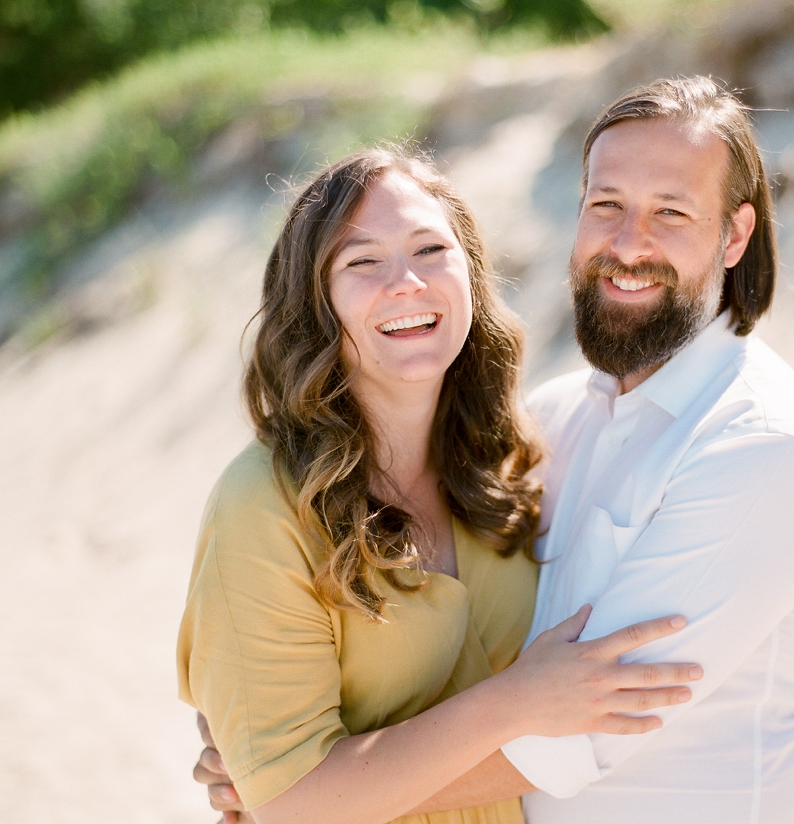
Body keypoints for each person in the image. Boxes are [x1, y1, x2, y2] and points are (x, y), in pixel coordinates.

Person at [197, 75, 794, 824]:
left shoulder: (766, 450)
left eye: (670, 213)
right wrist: (277, 766)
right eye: (604, 206)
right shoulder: (542, 430)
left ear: (735, 234)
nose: (627, 244)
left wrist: (300, 794)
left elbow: (569, 733)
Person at [176, 144, 704, 824]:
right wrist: (516, 701)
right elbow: (289, 806)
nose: (407, 282)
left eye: (430, 250)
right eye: (362, 261)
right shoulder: (263, 503)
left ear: (470, 274)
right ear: (315, 303)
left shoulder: (511, 463)